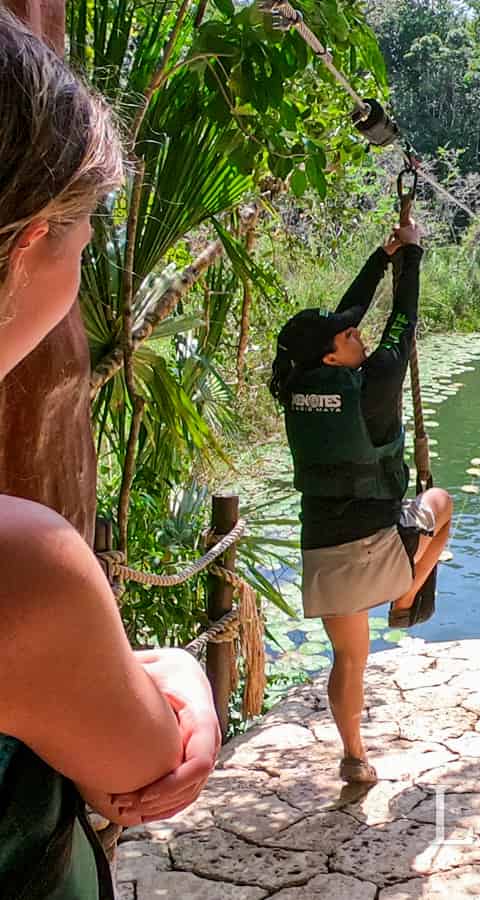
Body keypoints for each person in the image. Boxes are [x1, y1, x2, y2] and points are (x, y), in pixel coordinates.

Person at [0, 10, 221, 897]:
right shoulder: (25, 570)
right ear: (28, 247)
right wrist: (173, 673)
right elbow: (135, 769)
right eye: (83, 246)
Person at [269, 219, 453, 784]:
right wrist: (413, 258)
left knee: (349, 658)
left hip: (322, 546)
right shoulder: (373, 385)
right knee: (440, 504)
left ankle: (354, 755)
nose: (359, 336)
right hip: (376, 539)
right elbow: (404, 322)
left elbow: (347, 319)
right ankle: (406, 595)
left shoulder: (294, 383)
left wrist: (382, 256)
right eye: (348, 338)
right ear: (332, 358)